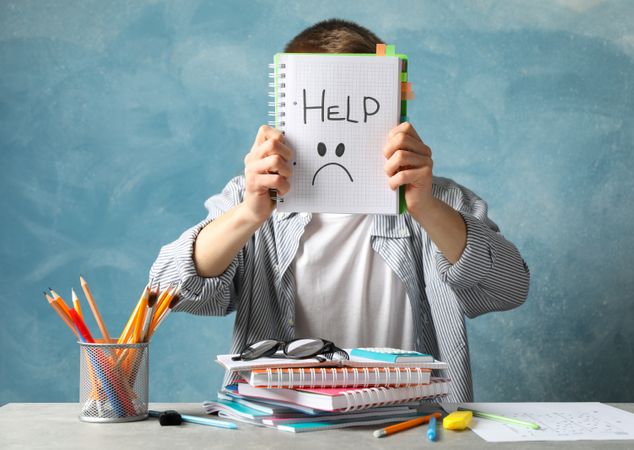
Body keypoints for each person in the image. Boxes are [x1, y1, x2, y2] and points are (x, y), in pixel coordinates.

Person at [149, 18, 530, 402]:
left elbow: (508, 290)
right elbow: (167, 291)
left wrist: (426, 207)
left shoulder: (439, 200)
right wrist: (249, 214)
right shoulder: (249, 200)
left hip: (410, 424)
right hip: (281, 427)